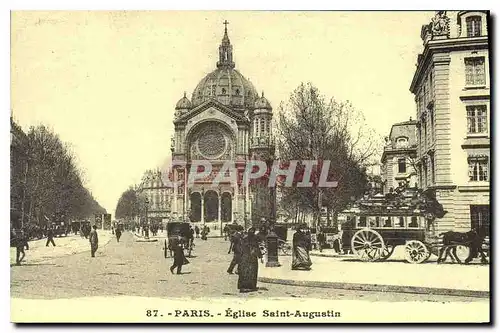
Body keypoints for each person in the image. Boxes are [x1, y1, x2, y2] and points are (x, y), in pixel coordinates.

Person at [237, 227, 263, 293]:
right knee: (251, 272)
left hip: (245, 258)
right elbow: (256, 248)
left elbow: (240, 249)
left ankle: (244, 286)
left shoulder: (245, 239)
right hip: (251, 258)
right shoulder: (254, 239)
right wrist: (260, 256)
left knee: (245, 273)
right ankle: (249, 286)